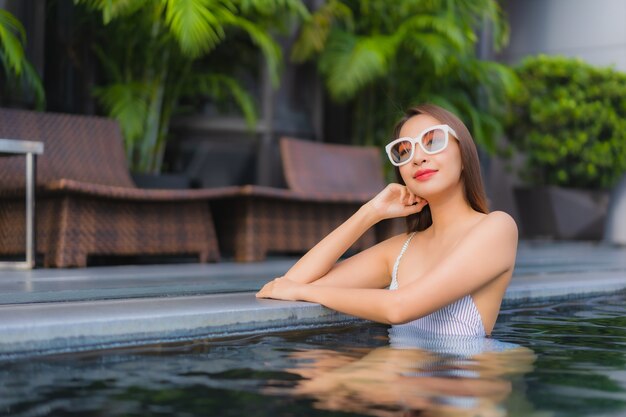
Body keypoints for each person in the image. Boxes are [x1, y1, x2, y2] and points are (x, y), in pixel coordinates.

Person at [256, 103, 518, 337]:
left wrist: (302, 293)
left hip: (457, 384)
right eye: (404, 151)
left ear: (464, 157)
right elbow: (292, 282)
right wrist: (370, 213)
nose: (417, 157)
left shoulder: (497, 228)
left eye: (432, 141)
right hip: (401, 383)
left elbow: (399, 308)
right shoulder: (401, 249)